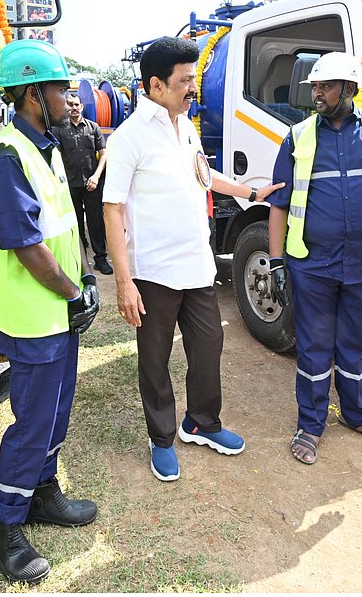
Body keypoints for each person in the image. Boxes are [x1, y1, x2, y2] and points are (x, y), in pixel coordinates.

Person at [102, 36, 282, 482]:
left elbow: (203, 174)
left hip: (197, 267)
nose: (192, 88)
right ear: (156, 84)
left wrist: (250, 192)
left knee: (208, 348)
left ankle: (200, 422)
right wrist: (124, 281)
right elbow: (113, 208)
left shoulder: (186, 126)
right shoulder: (130, 138)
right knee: (156, 358)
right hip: (155, 272)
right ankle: (161, 438)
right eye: (184, 81)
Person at [0, 39, 100, 585]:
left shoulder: (46, 146)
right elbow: (24, 243)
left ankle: (42, 494)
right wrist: (71, 292)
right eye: (61, 87)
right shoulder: (4, 155)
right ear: (33, 94)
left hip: (56, 308)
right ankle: (3, 523)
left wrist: (84, 282)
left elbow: (62, 226)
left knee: (57, 408)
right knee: (34, 419)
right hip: (30, 313)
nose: (69, 96)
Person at [264, 52, 362, 465]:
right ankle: (311, 425)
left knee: (356, 345)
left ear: (349, 89)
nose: (316, 94)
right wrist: (277, 262)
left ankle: (356, 416)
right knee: (315, 347)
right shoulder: (297, 137)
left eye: (325, 87)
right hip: (311, 265)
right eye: (314, 87)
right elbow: (279, 204)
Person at [53, 92, 113, 275]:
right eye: (70, 104)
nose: (74, 107)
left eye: (77, 104)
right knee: (75, 223)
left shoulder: (93, 128)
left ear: (82, 107)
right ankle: (79, 262)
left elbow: (104, 155)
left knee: (96, 223)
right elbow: (55, 157)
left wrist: (96, 176)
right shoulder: (59, 130)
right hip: (70, 185)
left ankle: (100, 259)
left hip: (92, 184)